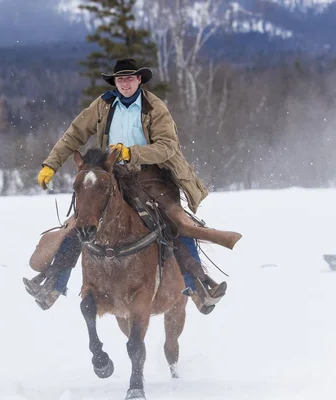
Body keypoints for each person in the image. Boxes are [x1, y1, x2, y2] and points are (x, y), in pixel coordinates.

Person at [23, 58, 239, 313]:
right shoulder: (103, 105)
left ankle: (200, 287)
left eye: (129, 78)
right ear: (115, 82)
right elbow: (75, 134)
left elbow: (167, 147)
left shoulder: (154, 107)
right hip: (111, 174)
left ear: (139, 80)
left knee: (175, 223)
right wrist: (51, 164)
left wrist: (131, 153)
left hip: (152, 174)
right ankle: (52, 286)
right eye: (120, 79)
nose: (125, 83)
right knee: (80, 223)